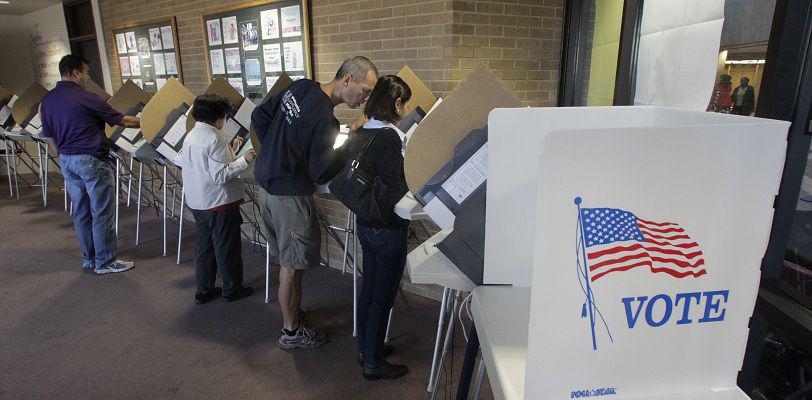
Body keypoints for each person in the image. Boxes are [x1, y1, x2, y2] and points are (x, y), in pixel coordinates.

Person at [252, 56, 379, 350]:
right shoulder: (325, 119)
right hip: (288, 196)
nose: (365, 99)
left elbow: (259, 117)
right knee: (292, 267)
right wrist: (351, 142)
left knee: (289, 263)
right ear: (347, 79)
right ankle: (291, 332)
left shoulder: (301, 87)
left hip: (266, 187)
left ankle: (293, 317)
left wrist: (276, 152)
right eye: (365, 91)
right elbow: (321, 172)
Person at [39, 55, 140, 275]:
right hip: (91, 160)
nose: (87, 77)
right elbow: (122, 120)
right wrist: (151, 121)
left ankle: (90, 259)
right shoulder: (86, 97)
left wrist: (62, 155)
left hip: (67, 160)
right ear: (75, 73)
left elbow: (47, 136)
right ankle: (106, 262)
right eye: (86, 73)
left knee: (81, 211)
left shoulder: (47, 100)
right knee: (101, 211)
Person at [344, 75, 412, 380]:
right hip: (387, 226)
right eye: (405, 104)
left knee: (370, 288)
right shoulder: (390, 137)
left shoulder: (362, 131)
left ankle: (366, 348)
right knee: (383, 295)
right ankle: (373, 362)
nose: (405, 110)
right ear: (396, 104)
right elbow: (396, 186)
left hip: (366, 222)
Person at [175, 95, 257, 304]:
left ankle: (204, 290)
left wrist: (231, 151)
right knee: (226, 247)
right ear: (218, 117)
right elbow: (220, 175)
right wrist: (244, 159)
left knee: (205, 247)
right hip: (219, 202)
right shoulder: (215, 137)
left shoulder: (192, 134)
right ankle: (232, 289)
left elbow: (196, 162)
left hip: (198, 201)